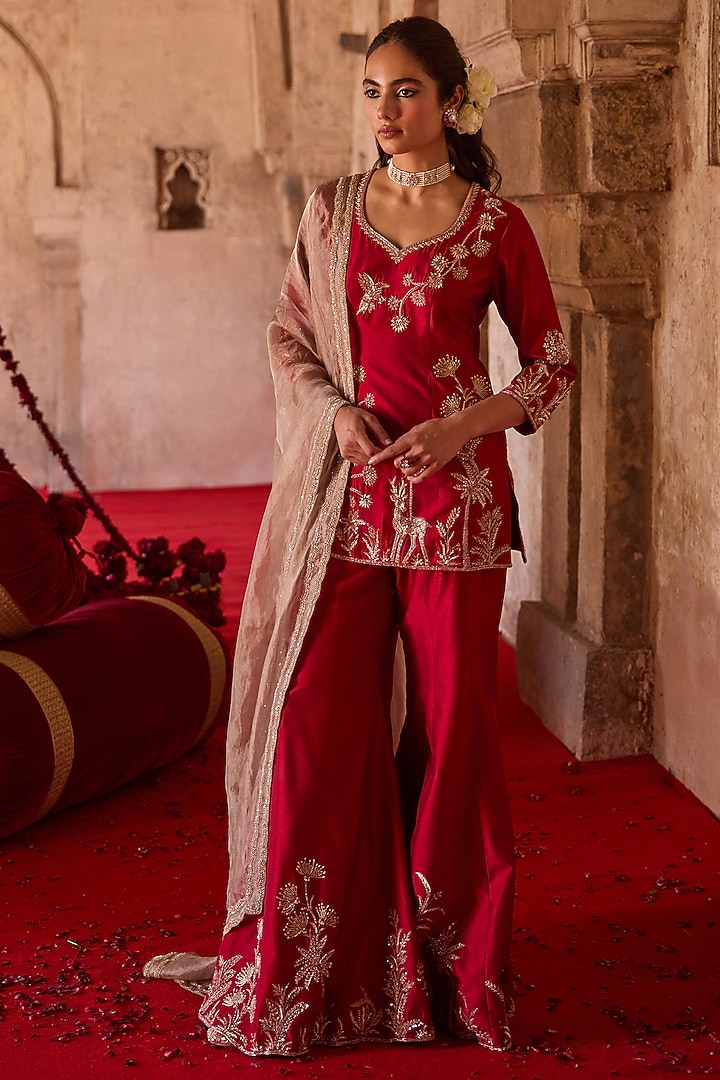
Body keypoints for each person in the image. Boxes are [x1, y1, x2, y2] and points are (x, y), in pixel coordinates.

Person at [144, 15, 576, 1058]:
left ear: (452, 102)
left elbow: (549, 366)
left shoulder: (494, 226)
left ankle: (450, 972)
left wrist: (466, 423)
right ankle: (314, 966)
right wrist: (335, 413)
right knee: (313, 731)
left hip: (454, 516)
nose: (387, 110)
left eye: (408, 91)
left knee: (455, 742)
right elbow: (289, 333)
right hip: (341, 511)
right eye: (374, 92)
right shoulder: (330, 213)